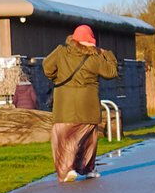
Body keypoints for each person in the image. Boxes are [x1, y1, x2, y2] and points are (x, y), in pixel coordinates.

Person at [42, 24, 118, 183]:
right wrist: (107, 54)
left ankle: (67, 170)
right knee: (88, 140)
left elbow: (47, 68)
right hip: (88, 104)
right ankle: (88, 169)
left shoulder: (61, 52)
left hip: (64, 104)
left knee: (64, 139)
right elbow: (111, 72)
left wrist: (58, 78)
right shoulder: (94, 58)